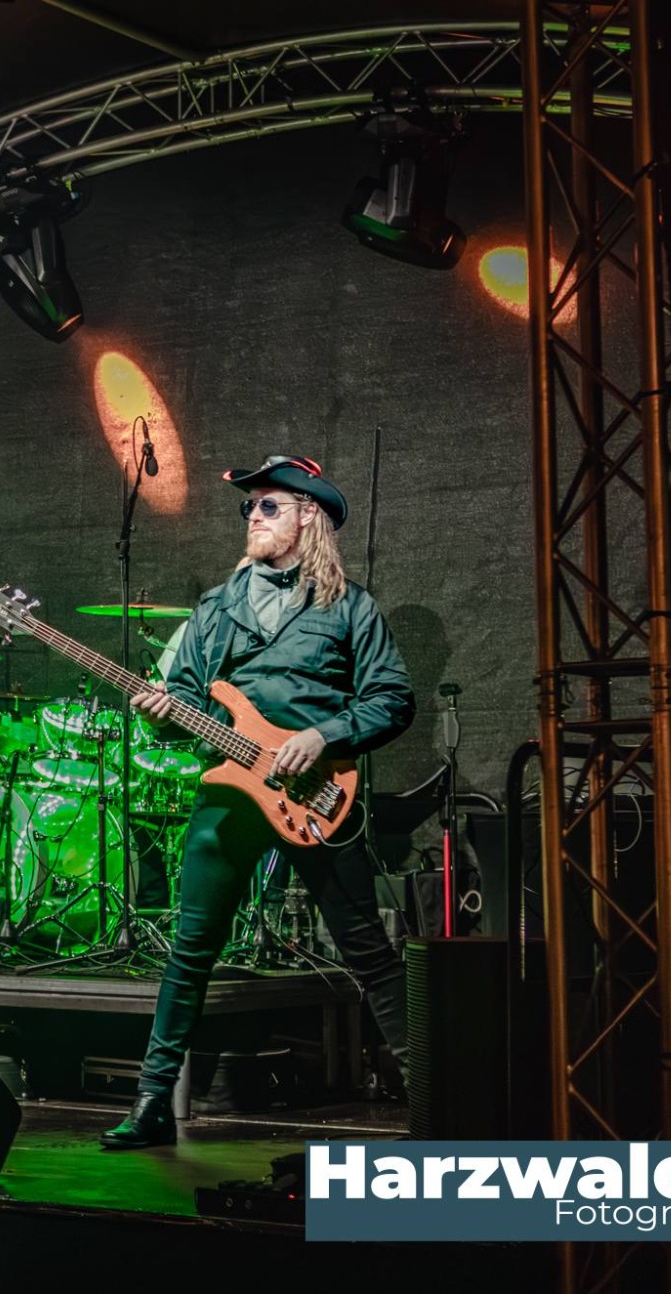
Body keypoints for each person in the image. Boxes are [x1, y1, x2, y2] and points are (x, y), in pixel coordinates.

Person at [101, 455, 414, 1149]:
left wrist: (324, 734)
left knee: (368, 951)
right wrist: (163, 712)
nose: (253, 516)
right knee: (190, 949)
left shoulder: (349, 607)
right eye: (249, 506)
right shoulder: (217, 607)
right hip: (231, 794)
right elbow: (186, 696)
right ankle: (152, 1102)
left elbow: (393, 699)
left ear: (309, 515)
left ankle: (433, 1098)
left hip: (317, 796)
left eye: (269, 505)